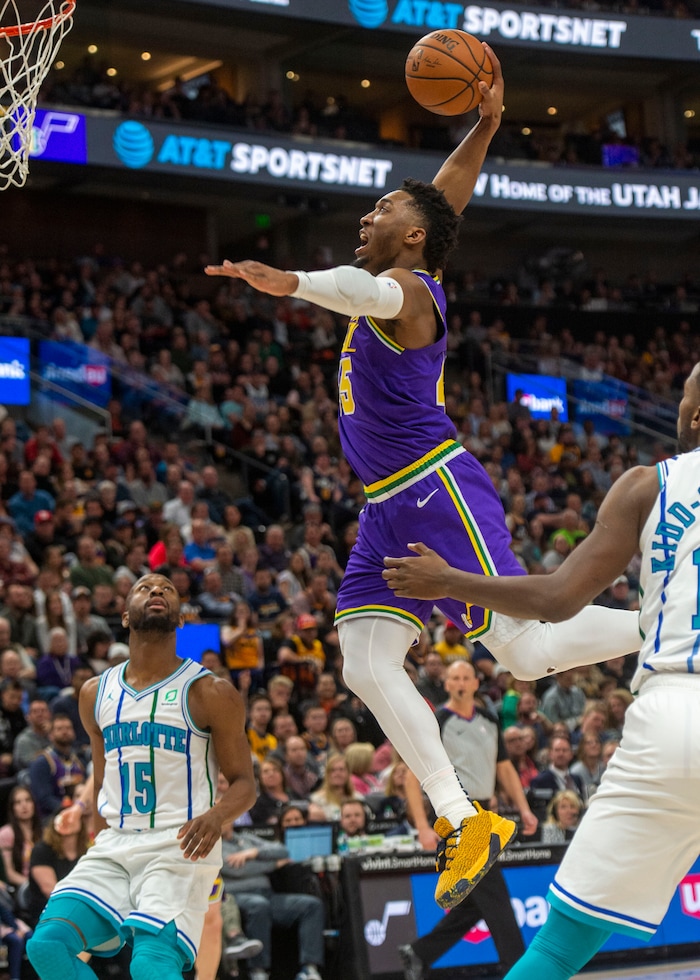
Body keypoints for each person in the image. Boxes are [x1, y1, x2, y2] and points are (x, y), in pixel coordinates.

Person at [205, 45, 641, 911]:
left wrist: (288, 280)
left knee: (520, 653)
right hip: (384, 508)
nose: (367, 215)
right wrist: (483, 123)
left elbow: (354, 288)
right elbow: (447, 196)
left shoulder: (403, 290)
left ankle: (666, 618)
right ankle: (461, 817)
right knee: (365, 658)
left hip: (435, 487)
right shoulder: (418, 260)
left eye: (383, 209)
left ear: (408, 240)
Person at [382, 362, 700, 980]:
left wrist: (449, 580)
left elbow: (556, 599)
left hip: (671, 715)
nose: (682, 408)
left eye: (687, 398)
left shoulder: (647, 484)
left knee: (556, 950)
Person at [25, 573, 256, 980]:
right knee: (46, 946)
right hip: (115, 844)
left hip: (179, 847)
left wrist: (217, 816)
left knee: (150, 965)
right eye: (145, 587)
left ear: (180, 617)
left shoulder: (209, 692)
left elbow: (245, 784)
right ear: (125, 616)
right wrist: (92, 831)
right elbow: (102, 779)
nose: (156, 591)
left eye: (167, 588)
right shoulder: (94, 693)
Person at [398, 660, 537, 980]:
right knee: (496, 896)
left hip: (487, 813)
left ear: (476, 683)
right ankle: (520, 971)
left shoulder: (489, 718)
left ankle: (420, 952)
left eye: (466, 677)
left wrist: (523, 807)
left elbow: (504, 768)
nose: (460, 683)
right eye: (454, 678)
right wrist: (422, 825)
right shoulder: (438, 721)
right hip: (456, 816)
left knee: (477, 900)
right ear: (445, 684)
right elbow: (410, 776)